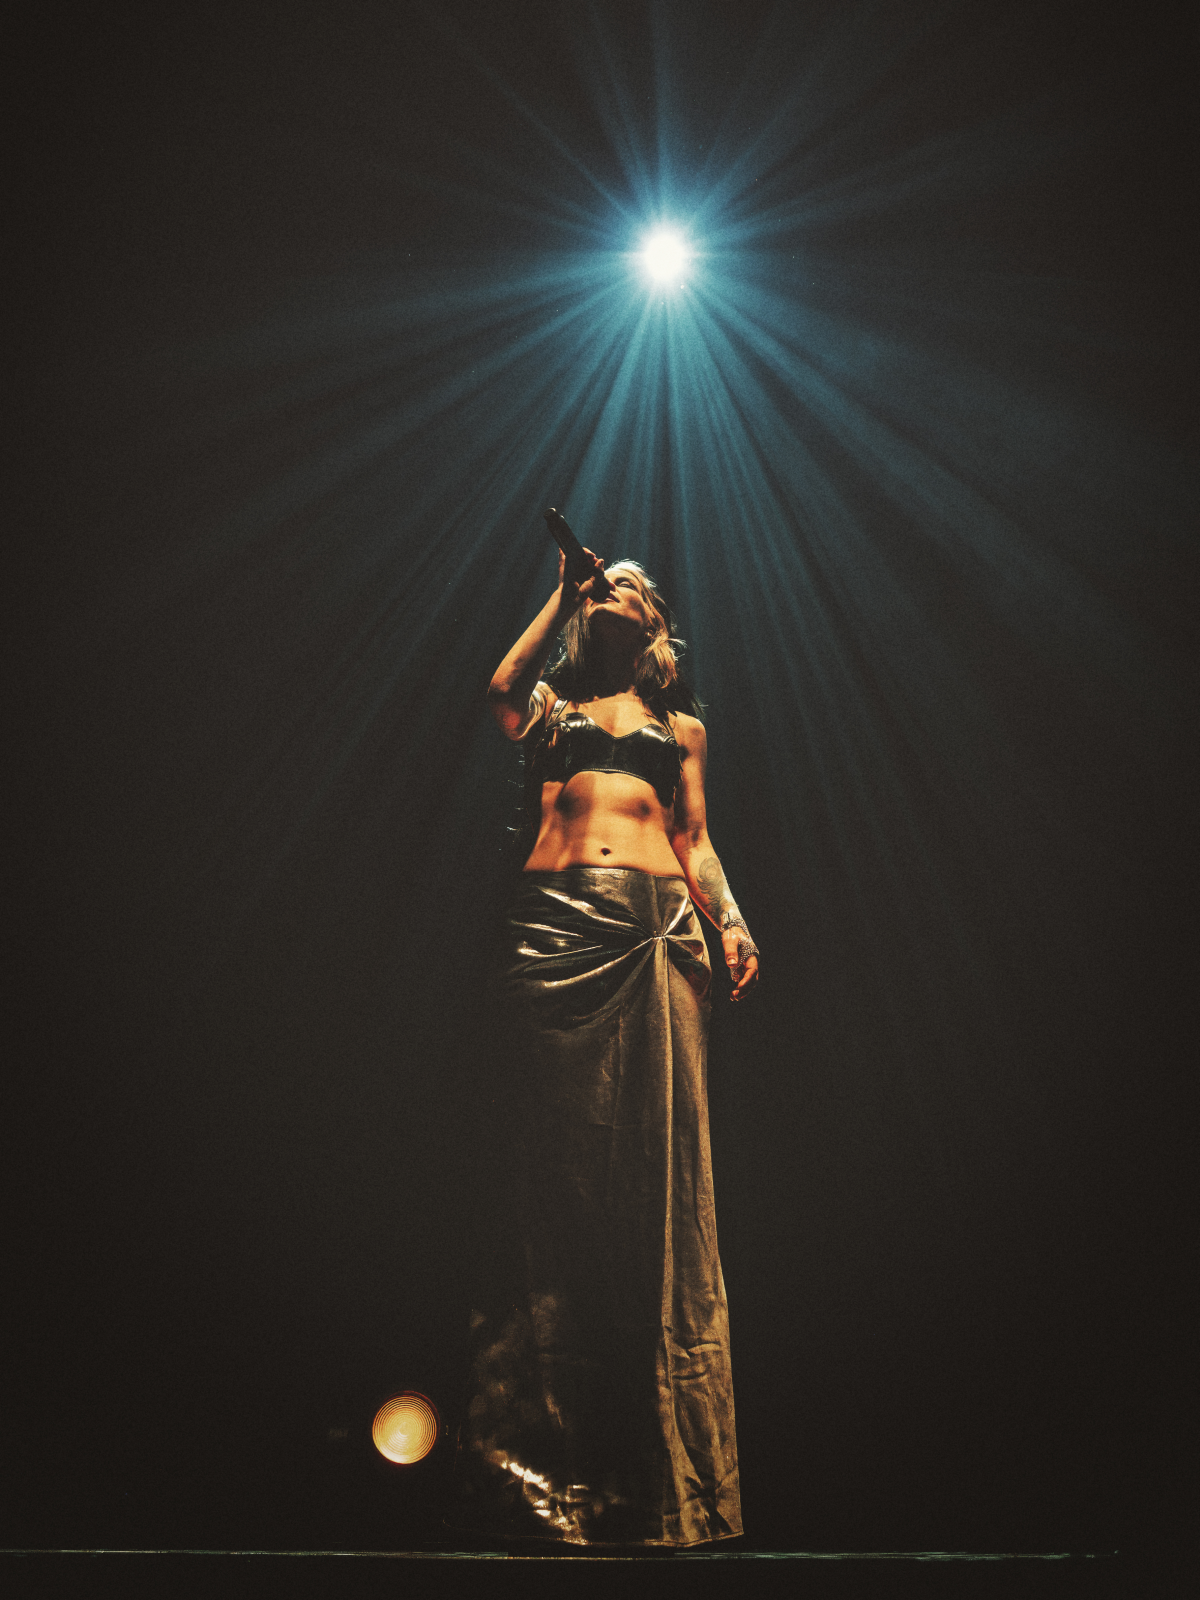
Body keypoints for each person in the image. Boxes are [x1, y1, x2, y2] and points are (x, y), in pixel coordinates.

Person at [452, 542, 758, 1550]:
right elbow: (499, 692)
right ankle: (535, 1486)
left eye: (628, 582)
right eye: (604, 583)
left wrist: (732, 922)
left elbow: (696, 838)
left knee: (661, 1186)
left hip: (657, 931)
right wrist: (562, 591)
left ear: (655, 621)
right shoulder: (558, 711)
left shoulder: (682, 728)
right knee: (546, 1179)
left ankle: (663, 1488)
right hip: (553, 930)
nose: (613, 588)